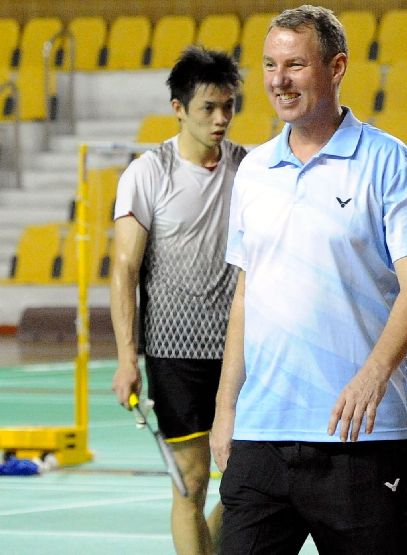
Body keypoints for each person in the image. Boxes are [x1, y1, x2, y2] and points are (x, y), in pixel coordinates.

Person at [210, 6, 407, 554]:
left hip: (361, 438)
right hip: (262, 436)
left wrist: (373, 376)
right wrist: (227, 410)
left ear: (336, 67)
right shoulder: (254, 171)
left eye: (295, 65)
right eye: (270, 65)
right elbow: (247, 294)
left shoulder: (387, 161)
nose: (278, 80)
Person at [110, 46, 247, 554]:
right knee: (191, 483)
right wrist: (127, 360)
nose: (220, 119)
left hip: (241, 349)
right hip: (175, 352)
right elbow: (124, 271)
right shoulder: (148, 173)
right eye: (208, 108)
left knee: (248, 483)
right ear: (179, 108)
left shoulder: (250, 171)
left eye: (228, 107)